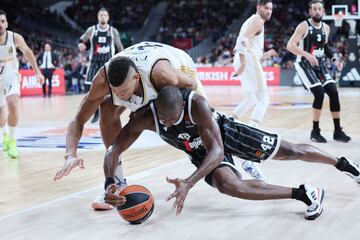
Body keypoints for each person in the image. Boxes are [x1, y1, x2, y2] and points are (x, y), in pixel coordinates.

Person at [102, 86, 360, 220]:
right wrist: (110, 182)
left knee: (290, 151)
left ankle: (343, 163)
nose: (167, 124)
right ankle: (304, 193)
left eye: (171, 118)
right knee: (229, 186)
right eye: (163, 119)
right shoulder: (147, 117)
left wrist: (189, 183)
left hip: (226, 134)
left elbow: (217, 151)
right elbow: (114, 150)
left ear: (182, 105)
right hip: (200, 150)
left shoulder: (196, 104)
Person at [53, 41, 207, 210]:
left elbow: (191, 85)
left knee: (201, 133)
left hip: (183, 72)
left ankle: (229, 145)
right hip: (138, 63)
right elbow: (78, 120)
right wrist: (70, 154)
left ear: (136, 78)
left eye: (124, 91)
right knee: (107, 106)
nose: (120, 96)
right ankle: (117, 183)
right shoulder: (102, 81)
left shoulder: (162, 76)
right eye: (115, 91)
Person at [286, 0, 350, 143]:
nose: (317, 11)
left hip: (319, 65)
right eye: (314, 9)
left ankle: (337, 131)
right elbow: (290, 45)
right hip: (304, 64)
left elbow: (325, 48)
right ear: (310, 11)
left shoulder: (326, 28)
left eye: (319, 9)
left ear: (323, 11)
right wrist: (307, 54)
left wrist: (334, 60)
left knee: (333, 91)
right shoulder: (303, 26)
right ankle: (315, 132)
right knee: (319, 93)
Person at [231, 0, 278, 182]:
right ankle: (252, 137)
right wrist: (243, 63)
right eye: (266, 8)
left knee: (251, 99)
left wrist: (266, 54)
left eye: (271, 9)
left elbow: (248, 43)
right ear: (258, 7)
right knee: (263, 100)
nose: (268, 11)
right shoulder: (257, 20)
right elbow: (241, 40)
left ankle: (231, 120)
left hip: (247, 58)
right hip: (248, 60)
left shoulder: (253, 20)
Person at [0, 9, 44, 158]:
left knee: (12, 104)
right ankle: (5, 135)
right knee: (0, 112)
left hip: (10, 76)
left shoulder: (14, 37)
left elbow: (28, 52)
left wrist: (37, 72)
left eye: (2, 21)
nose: (0, 24)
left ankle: (12, 140)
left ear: (6, 23)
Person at [78, 7, 124, 123]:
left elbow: (120, 47)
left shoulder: (113, 31)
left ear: (108, 17)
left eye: (105, 15)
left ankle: (109, 113)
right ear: (98, 17)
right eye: (101, 15)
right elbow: (81, 40)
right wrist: (80, 45)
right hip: (94, 63)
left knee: (110, 89)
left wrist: (123, 59)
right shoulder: (91, 30)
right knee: (89, 89)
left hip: (108, 64)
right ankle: (94, 113)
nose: (103, 17)